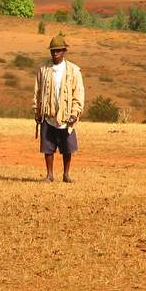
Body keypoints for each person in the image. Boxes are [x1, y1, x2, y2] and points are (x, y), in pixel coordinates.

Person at [32, 35, 85, 182]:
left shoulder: (73, 70)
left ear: (64, 51)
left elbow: (78, 93)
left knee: (67, 147)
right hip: (48, 115)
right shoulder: (43, 69)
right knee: (48, 147)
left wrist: (75, 113)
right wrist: (37, 110)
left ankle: (66, 174)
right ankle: (49, 175)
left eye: (58, 50)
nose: (55, 53)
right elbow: (37, 91)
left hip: (66, 116)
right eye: (53, 51)